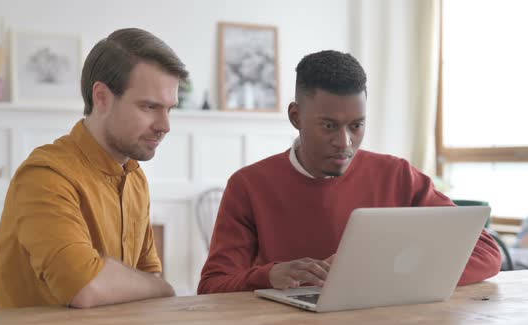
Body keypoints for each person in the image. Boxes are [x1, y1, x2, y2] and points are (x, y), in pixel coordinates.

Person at [197, 50, 501, 294]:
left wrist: (388, 278)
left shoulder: (398, 175)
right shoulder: (248, 185)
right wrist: (269, 274)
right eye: (329, 125)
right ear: (296, 116)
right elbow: (212, 285)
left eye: (357, 125)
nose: (344, 142)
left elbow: (487, 254)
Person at [0, 28, 188, 308]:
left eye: (170, 109)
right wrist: (163, 288)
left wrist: (142, 282)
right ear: (102, 97)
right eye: (149, 107)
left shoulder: (135, 177)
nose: (165, 126)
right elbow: (84, 287)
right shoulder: (44, 177)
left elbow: (147, 275)